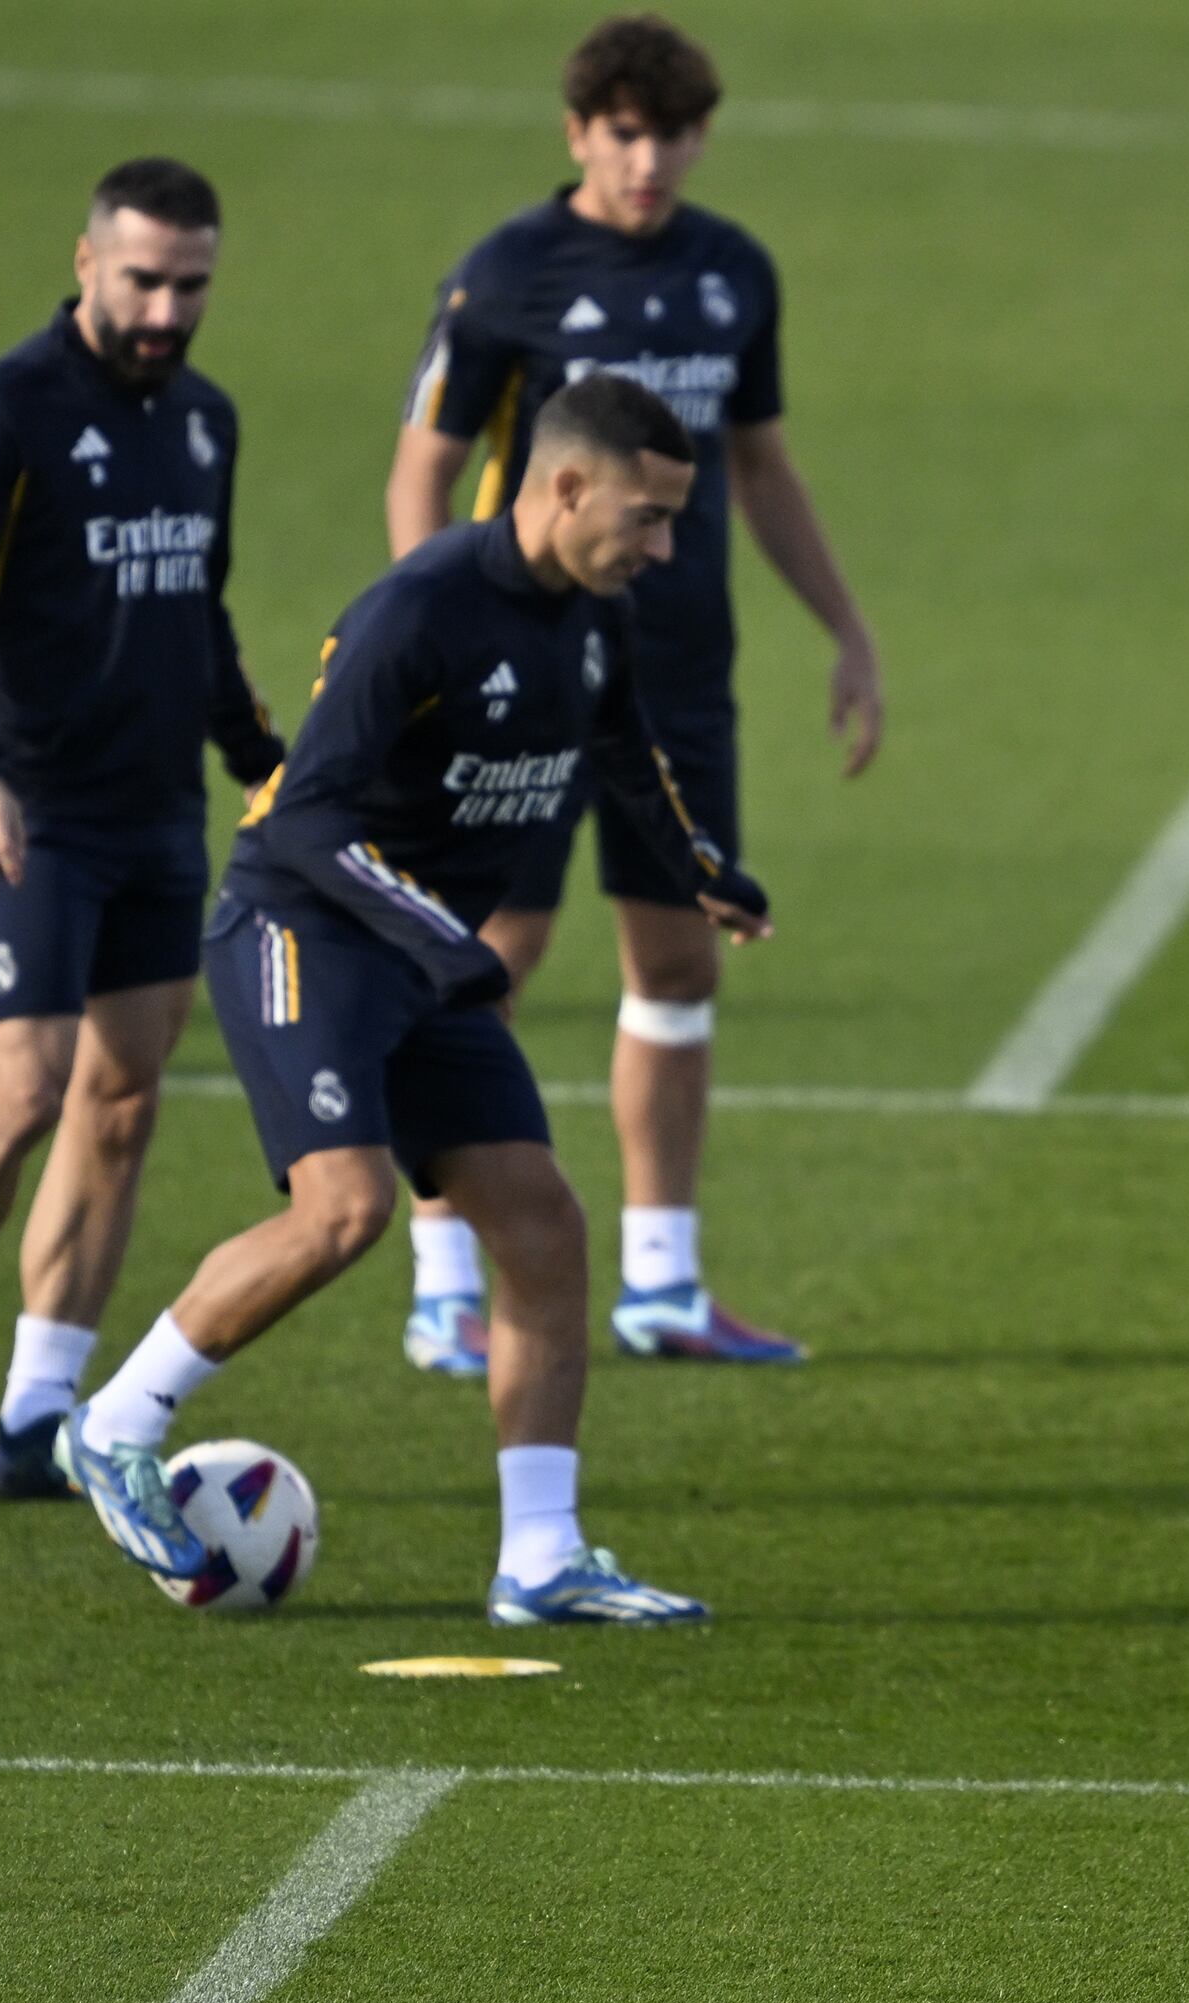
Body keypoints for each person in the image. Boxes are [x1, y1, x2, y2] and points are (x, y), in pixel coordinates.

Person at [57, 374, 768, 1624]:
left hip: (421, 952)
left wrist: (702, 872)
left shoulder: (595, 617)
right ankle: (112, 1425)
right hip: (301, 928)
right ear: (565, 487)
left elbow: (624, 753)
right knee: (346, 1212)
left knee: (544, 1228)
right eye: (647, 519)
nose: (663, 549)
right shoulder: (418, 611)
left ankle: (539, 1558)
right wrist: (448, 943)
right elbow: (312, 814)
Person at [384, 11, 879, 1372]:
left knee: (676, 955)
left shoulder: (733, 273)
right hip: (529, 676)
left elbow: (761, 465)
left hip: (677, 683)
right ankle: (440, 1286)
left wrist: (845, 625)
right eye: (624, 134)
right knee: (489, 957)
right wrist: (442, 635)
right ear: (578, 134)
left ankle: (662, 1281)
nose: (650, 159)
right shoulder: (506, 275)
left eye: (672, 134)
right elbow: (421, 465)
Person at [0, 159, 284, 1509]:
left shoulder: (207, 423)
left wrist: (260, 761)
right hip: (29, 807)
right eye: (145, 278)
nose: (167, 308)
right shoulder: (5, 413)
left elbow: (195, 614)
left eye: (192, 284)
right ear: (88, 260)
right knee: (23, 1090)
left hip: (160, 809)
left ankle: (42, 1404)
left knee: (120, 1101)